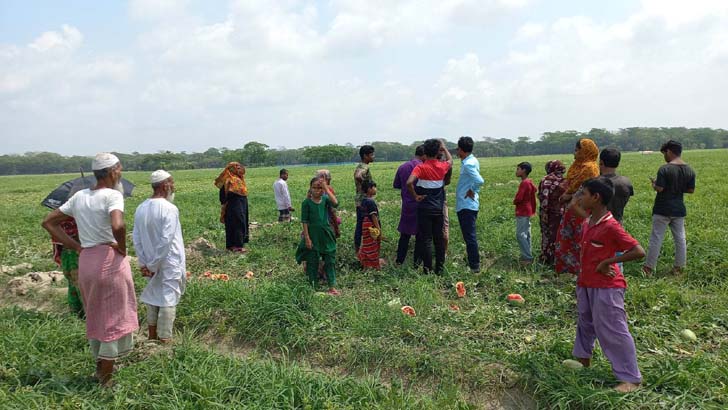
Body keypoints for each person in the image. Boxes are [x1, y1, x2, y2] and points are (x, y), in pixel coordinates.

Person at [41, 153, 138, 387]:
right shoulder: (113, 195)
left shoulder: (79, 197)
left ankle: (99, 369)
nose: (121, 173)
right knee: (112, 319)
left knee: (95, 313)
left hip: (87, 261)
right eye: (120, 169)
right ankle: (106, 380)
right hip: (108, 260)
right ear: (113, 171)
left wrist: (75, 246)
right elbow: (118, 224)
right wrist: (122, 248)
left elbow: (48, 222)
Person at [571, 177, 646, 394]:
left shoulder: (611, 226)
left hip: (606, 287)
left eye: (584, 193)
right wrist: (578, 193)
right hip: (586, 282)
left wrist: (607, 262)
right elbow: (575, 206)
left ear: (596, 198)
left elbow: (638, 251)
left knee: (612, 329)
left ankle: (630, 378)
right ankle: (582, 361)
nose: (581, 196)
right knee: (585, 322)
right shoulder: (590, 221)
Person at [132, 170, 186, 344]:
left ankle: (152, 336)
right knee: (168, 298)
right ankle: (165, 339)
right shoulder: (169, 208)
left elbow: (137, 238)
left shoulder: (141, 207)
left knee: (153, 296)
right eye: (172, 183)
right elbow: (166, 239)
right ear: (165, 185)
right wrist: (154, 264)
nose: (174, 187)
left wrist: (144, 263)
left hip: (149, 262)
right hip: (168, 261)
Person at [643, 140, 696, 275]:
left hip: (662, 208)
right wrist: (677, 187)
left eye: (664, 153)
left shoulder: (664, 169)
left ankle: (648, 268)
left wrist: (654, 184)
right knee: (680, 239)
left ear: (669, 151)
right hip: (679, 209)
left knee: (656, 238)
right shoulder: (689, 169)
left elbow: (660, 189)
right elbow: (690, 190)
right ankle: (679, 268)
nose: (664, 157)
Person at [407, 139, 453, 274]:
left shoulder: (421, 167)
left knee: (426, 239)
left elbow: (409, 182)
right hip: (438, 209)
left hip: (424, 208)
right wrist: (444, 148)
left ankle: (427, 269)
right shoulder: (442, 166)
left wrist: (415, 196)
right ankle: (440, 269)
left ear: (425, 153)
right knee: (438, 240)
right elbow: (451, 161)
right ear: (437, 152)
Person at [555, 138, 600, 274]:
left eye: (577, 150)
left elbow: (585, 188)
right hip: (571, 207)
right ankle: (566, 270)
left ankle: (580, 270)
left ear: (585, 151)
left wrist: (569, 195)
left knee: (579, 240)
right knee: (566, 239)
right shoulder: (577, 165)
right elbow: (568, 183)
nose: (574, 153)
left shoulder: (590, 168)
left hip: (582, 208)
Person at [296, 176, 340, 295]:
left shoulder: (325, 199)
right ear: (310, 189)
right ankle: (313, 286)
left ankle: (332, 286)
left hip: (326, 234)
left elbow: (335, 203)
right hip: (313, 235)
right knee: (312, 261)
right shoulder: (306, 203)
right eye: (314, 188)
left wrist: (326, 187)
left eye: (319, 188)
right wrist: (307, 238)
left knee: (330, 259)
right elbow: (305, 221)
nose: (317, 190)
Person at [455, 137, 484, 273]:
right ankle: (472, 261)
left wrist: (472, 189)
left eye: (458, 149)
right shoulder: (471, 160)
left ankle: (474, 266)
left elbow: (479, 180)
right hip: (469, 204)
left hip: (466, 204)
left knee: (470, 236)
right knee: (468, 235)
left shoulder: (468, 164)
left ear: (461, 149)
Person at [392, 145, 424, 265]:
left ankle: (399, 261)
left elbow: (396, 185)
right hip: (421, 205)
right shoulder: (423, 167)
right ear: (424, 155)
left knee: (405, 235)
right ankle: (417, 262)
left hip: (407, 205)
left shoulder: (403, 167)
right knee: (420, 236)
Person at [50, 216, 84, 316]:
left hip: (67, 253)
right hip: (77, 253)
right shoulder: (78, 217)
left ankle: (77, 313)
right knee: (81, 285)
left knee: (73, 285)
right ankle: (88, 315)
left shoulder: (58, 217)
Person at [215, 162, 249, 253]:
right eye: (236, 167)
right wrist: (226, 203)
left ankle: (234, 245)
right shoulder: (228, 180)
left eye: (239, 167)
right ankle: (237, 246)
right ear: (231, 169)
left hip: (241, 204)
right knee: (236, 224)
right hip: (233, 206)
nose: (239, 169)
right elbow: (222, 195)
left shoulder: (239, 178)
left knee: (240, 223)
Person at [537, 160, 566, 266]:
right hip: (560, 212)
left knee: (546, 234)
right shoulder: (565, 180)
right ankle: (556, 259)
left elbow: (543, 196)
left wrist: (544, 212)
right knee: (557, 235)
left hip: (548, 212)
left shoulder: (546, 180)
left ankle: (546, 256)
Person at [599, 148, 634, 223]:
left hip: (598, 225)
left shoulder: (595, 183)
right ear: (617, 163)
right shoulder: (626, 182)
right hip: (617, 223)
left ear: (601, 162)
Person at [514, 162, 537, 265]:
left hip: (522, 210)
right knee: (526, 234)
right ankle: (528, 253)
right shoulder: (529, 181)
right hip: (528, 210)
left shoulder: (524, 183)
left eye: (518, 169)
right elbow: (535, 189)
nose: (517, 171)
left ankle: (527, 257)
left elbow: (519, 198)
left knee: (520, 235)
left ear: (523, 170)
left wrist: (514, 201)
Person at [358, 181, 384, 269]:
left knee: (366, 244)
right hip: (371, 226)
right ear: (369, 189)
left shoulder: (363, 201)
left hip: (365, 226)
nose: (375, 189)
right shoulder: (370, 202)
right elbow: (374, 216)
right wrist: (379, 230)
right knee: (373, 244)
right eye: (374, 187)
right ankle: (373, 264)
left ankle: (365, 263)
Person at [354, 145, 375, 252]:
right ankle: (362, 249)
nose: (373, 157)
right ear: (365, 156)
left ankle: (358, 248)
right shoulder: (364, 167)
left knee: (360, 224)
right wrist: (366, 186)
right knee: (364, 225)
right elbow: (358, 176)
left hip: (359, 200)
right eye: (371, 155)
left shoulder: (360, 165)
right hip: (364, 201)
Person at [317, 169, 341, 238]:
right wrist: (336, 227)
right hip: (326, 222)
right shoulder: (329, 190)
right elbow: (333, 208)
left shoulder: (312, 190)